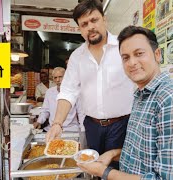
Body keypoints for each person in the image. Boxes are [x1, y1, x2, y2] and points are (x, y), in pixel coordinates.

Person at [78, 26, 173, 180]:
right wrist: (112, 154)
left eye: (139, 54)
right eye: (125, 57)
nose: (132, 63)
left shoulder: (170, 99)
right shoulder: (139, 95)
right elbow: (140, 153)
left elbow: (166, 178)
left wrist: (103, 172)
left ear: (157, 55)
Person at [45, 0, 135, 169]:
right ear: (80, 29)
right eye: (84, 24)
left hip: (122, 125)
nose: (90, 27)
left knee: (120, 170)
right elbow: (68, 92)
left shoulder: (123, 47)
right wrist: (57, 123)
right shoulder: (77, 57)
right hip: (92, 126)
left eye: (94, 20)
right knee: (92, 168)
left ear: (104, 19)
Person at [34, 67, 85, 132]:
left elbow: (81, 112)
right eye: (55, 78)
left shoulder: (74, 91)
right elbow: (45, 111)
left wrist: (83, 130)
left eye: (60, 77)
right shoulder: (49, 92)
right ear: (53, 79)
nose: (58, 80)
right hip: (53, 129)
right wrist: (39, 122)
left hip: (71, 129)